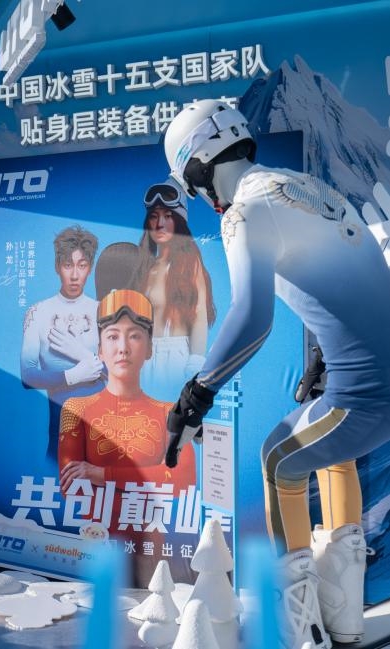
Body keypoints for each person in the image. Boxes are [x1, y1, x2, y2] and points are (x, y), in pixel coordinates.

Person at [161, 99, 390, 648]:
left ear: (198, 169)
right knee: (323, 445)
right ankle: (344, 615)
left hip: (369, 399)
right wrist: (327, 358)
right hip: (371, 389)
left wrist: (196, 395)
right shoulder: (307, 187)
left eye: (194, 187)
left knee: (278, 458)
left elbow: (251, 318)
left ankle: (297, 628)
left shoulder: (243, 212)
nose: (203, 199)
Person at [58, 289, 196, 586]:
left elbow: (182, 480)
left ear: (149, 348)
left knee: (153, 611)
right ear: (99, 350)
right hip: (94, 547)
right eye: (112, 336)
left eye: (134, 336)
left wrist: (101, 474)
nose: (123, 348)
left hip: (150, 550)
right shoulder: (76, 409)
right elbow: (72, 486)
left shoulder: (169, 413)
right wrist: (147, 480)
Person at [20, 225, 106, 462]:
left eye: (82, 265)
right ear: (57, 266)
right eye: (68, 265)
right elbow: (27, 376)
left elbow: (120, 371)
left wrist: (83, 355)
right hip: (59, 435)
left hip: (102, 433)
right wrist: (72, 376)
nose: (75, 275)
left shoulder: (103, 311)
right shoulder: (38, 312)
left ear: (90, 267)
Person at [134, 178, 216, 398]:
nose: (160, 224)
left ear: (179, 221)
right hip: (143, 361)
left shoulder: (189, 263)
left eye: (168, 216)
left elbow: (199, 316)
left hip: (175, 361)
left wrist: (194, 366)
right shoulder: (145, 268)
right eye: (154, 216)